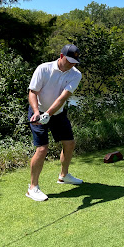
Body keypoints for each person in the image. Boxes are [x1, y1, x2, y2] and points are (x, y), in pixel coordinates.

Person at [26, 44, 83, 201]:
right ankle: (32, 188)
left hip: (57, 113)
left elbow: (62, 98)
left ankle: (64, 176)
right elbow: (33, 92)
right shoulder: (43, 69)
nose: (72, 64)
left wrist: (49, 114)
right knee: (42, 149)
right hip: (38, 111)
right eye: (69, 60)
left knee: (69, 143)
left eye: (75, 61)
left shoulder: (76, 75)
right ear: (61, 56)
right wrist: (38, 112)